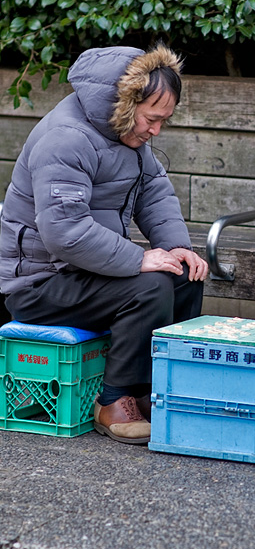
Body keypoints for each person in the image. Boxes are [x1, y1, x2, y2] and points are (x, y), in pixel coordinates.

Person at [0, 43, 208, 445]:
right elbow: (64, 231)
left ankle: (153, 391)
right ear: (126, 104)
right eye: (152, 119)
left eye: (164, 120)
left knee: (184, 275)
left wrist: (176, 246)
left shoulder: (125, 134)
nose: (156, 130)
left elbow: (154, 192)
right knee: (151, 284)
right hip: (40, 284)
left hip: (84, 273)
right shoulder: (66, 139)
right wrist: (138, 258)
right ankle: (113, 400)